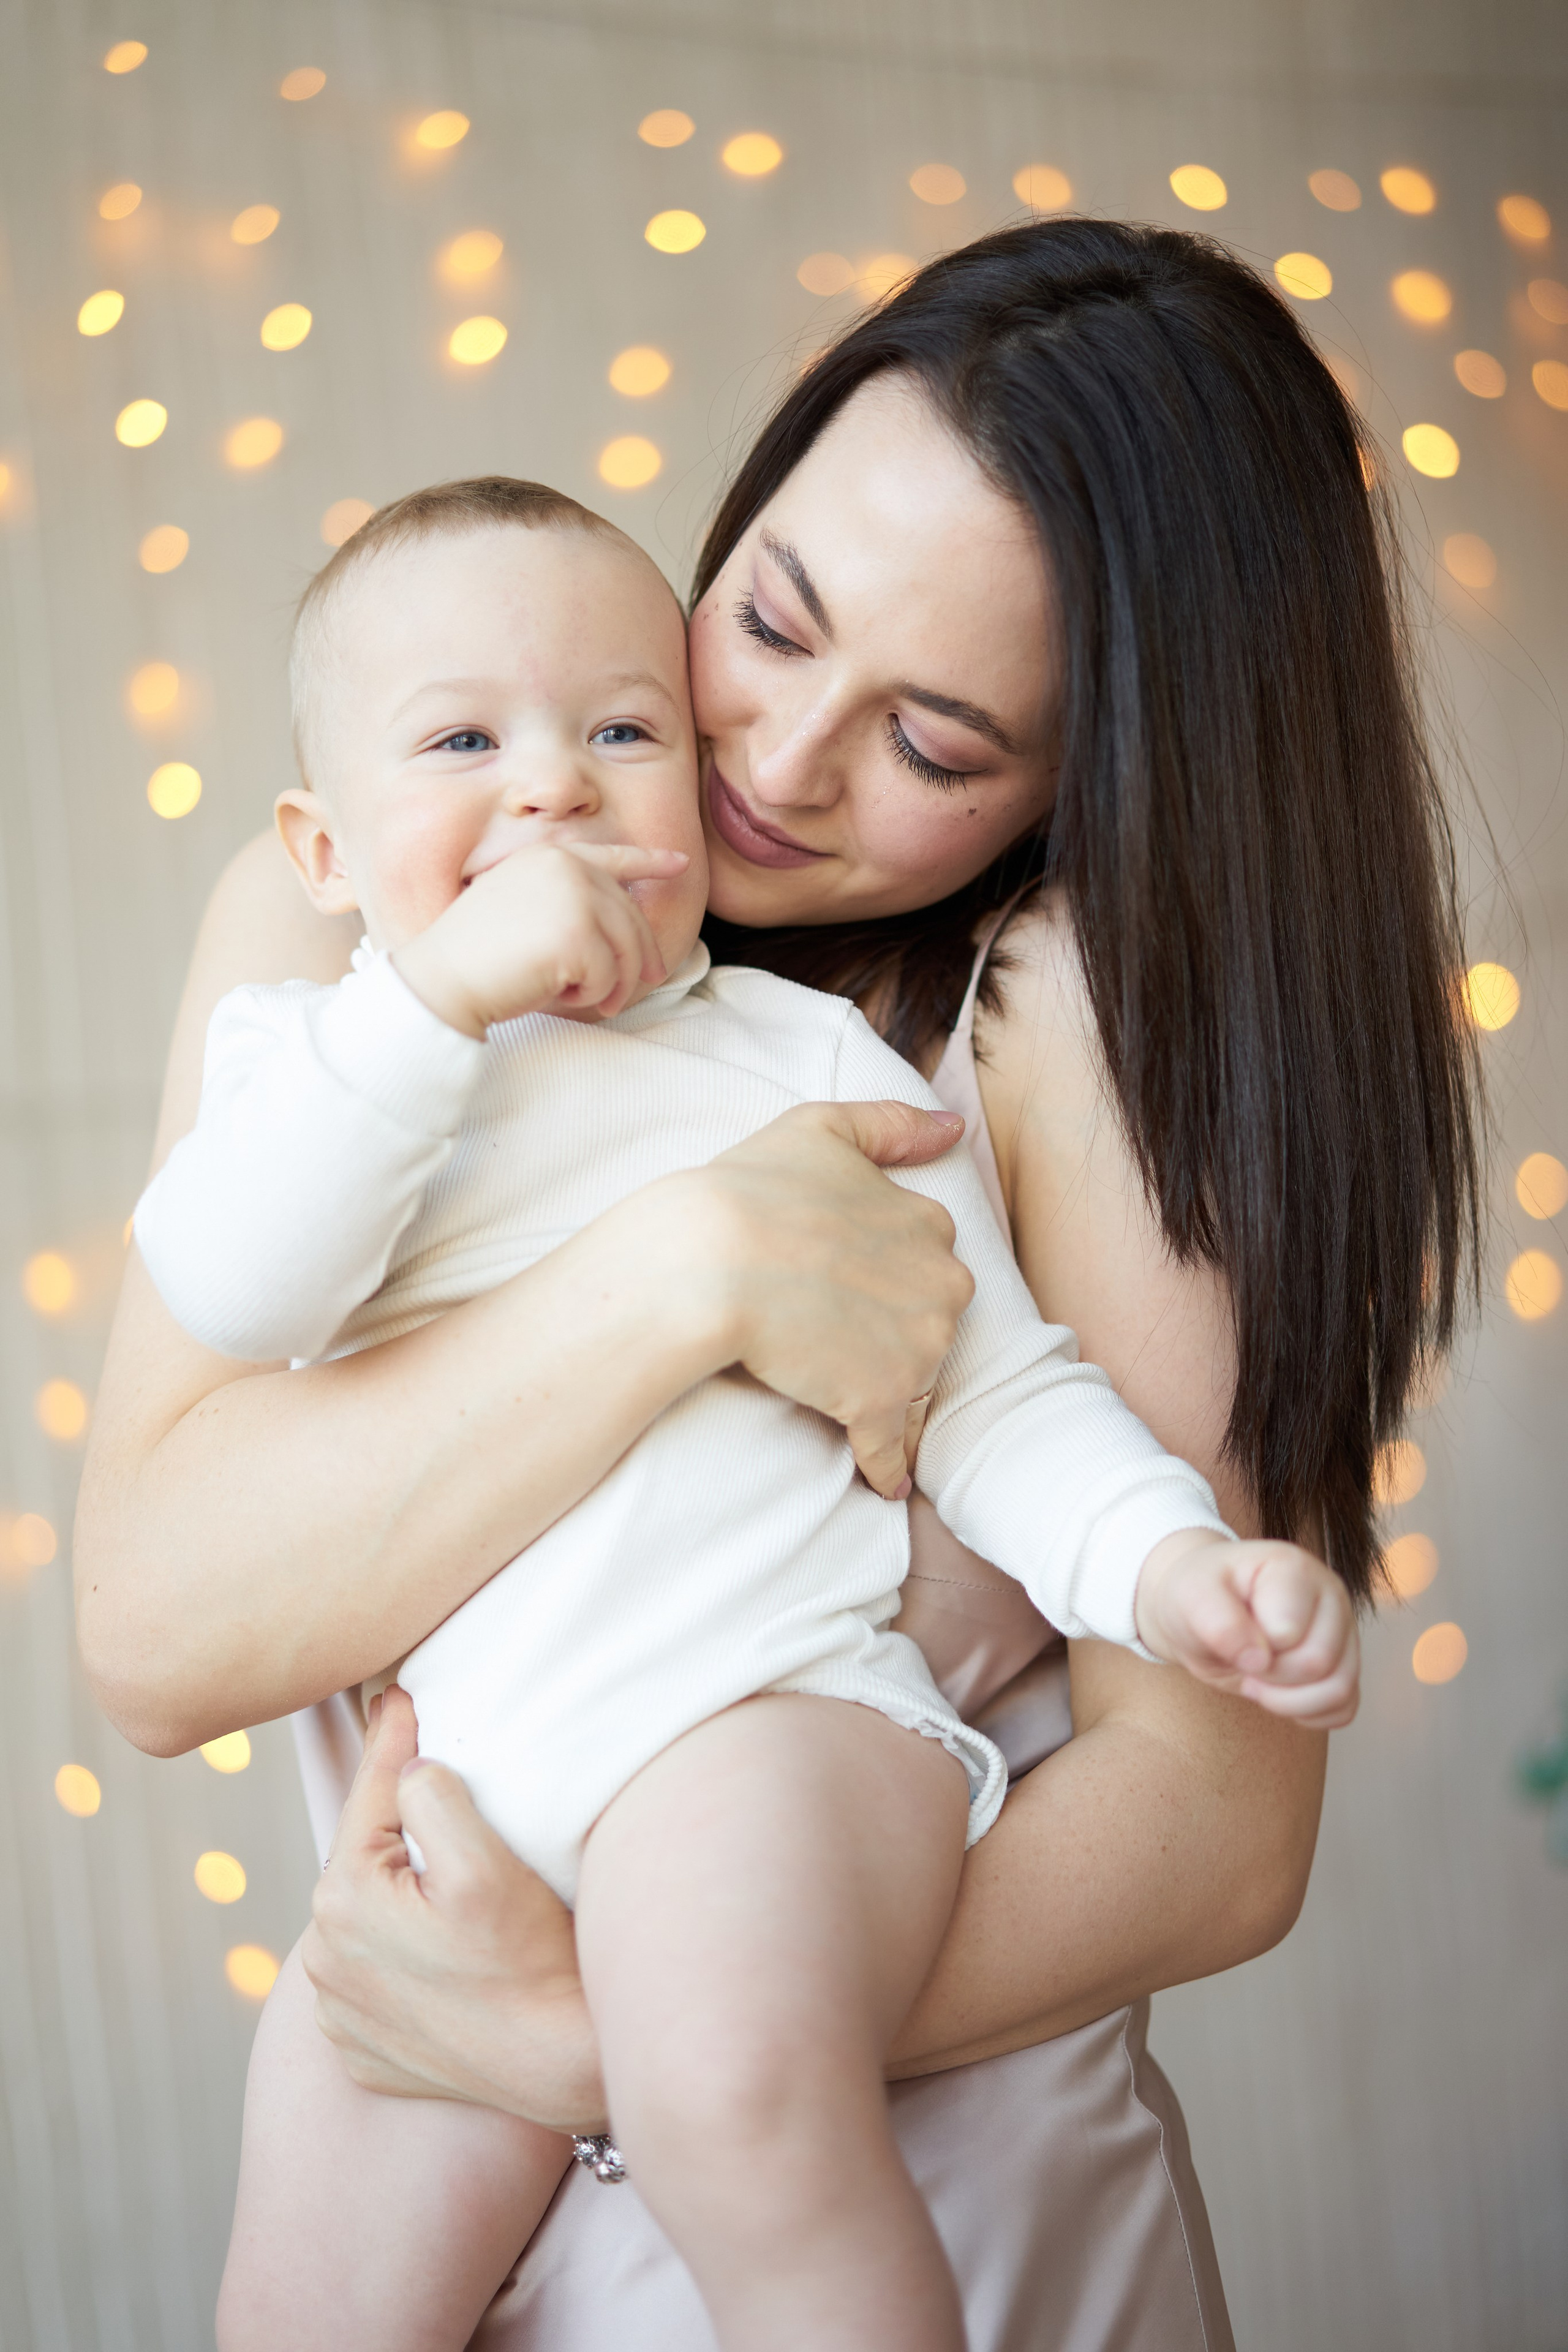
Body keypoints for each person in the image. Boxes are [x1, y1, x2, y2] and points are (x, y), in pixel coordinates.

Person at [76, 218, 1479, 2350]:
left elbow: (1210, 1828)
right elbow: (159, 1636)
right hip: (433, 2134)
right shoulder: (359, 931)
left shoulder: (1034, 1021)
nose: (777, 762)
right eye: (771, 619)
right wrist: (689, 1270)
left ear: (1092, 781)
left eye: (936, 745)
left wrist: (616, 2047)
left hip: (903, 2196)